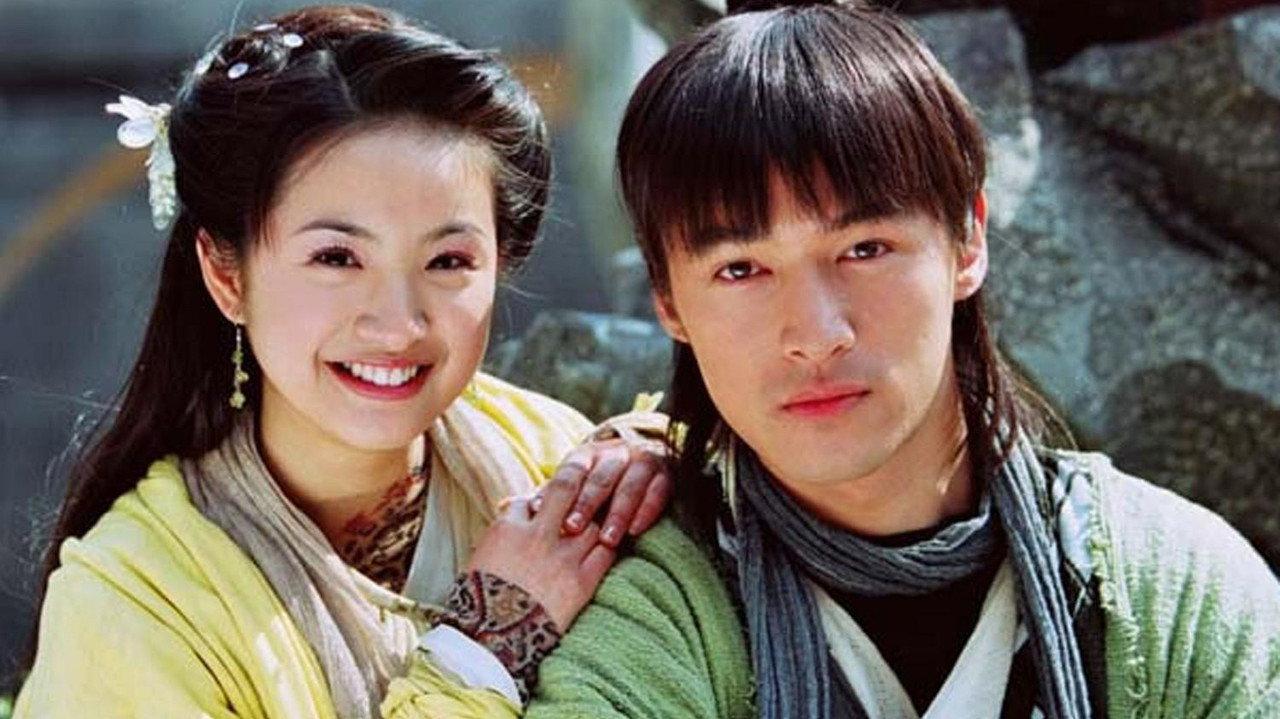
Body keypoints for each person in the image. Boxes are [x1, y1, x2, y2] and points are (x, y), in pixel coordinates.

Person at [526, 1, 1280, 718]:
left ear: (968, 239)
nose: (816, 333)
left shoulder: (1176, 593)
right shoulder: (650, 620)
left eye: (865, 249)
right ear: (666, 299)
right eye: (741, 269)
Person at [14, 5, 672, 718]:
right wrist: (483, 652)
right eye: (336, 257)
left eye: (448, 260)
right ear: (228, 275)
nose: (398, 324)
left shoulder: (560, 460)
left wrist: (662, 458)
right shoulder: (136, 602)